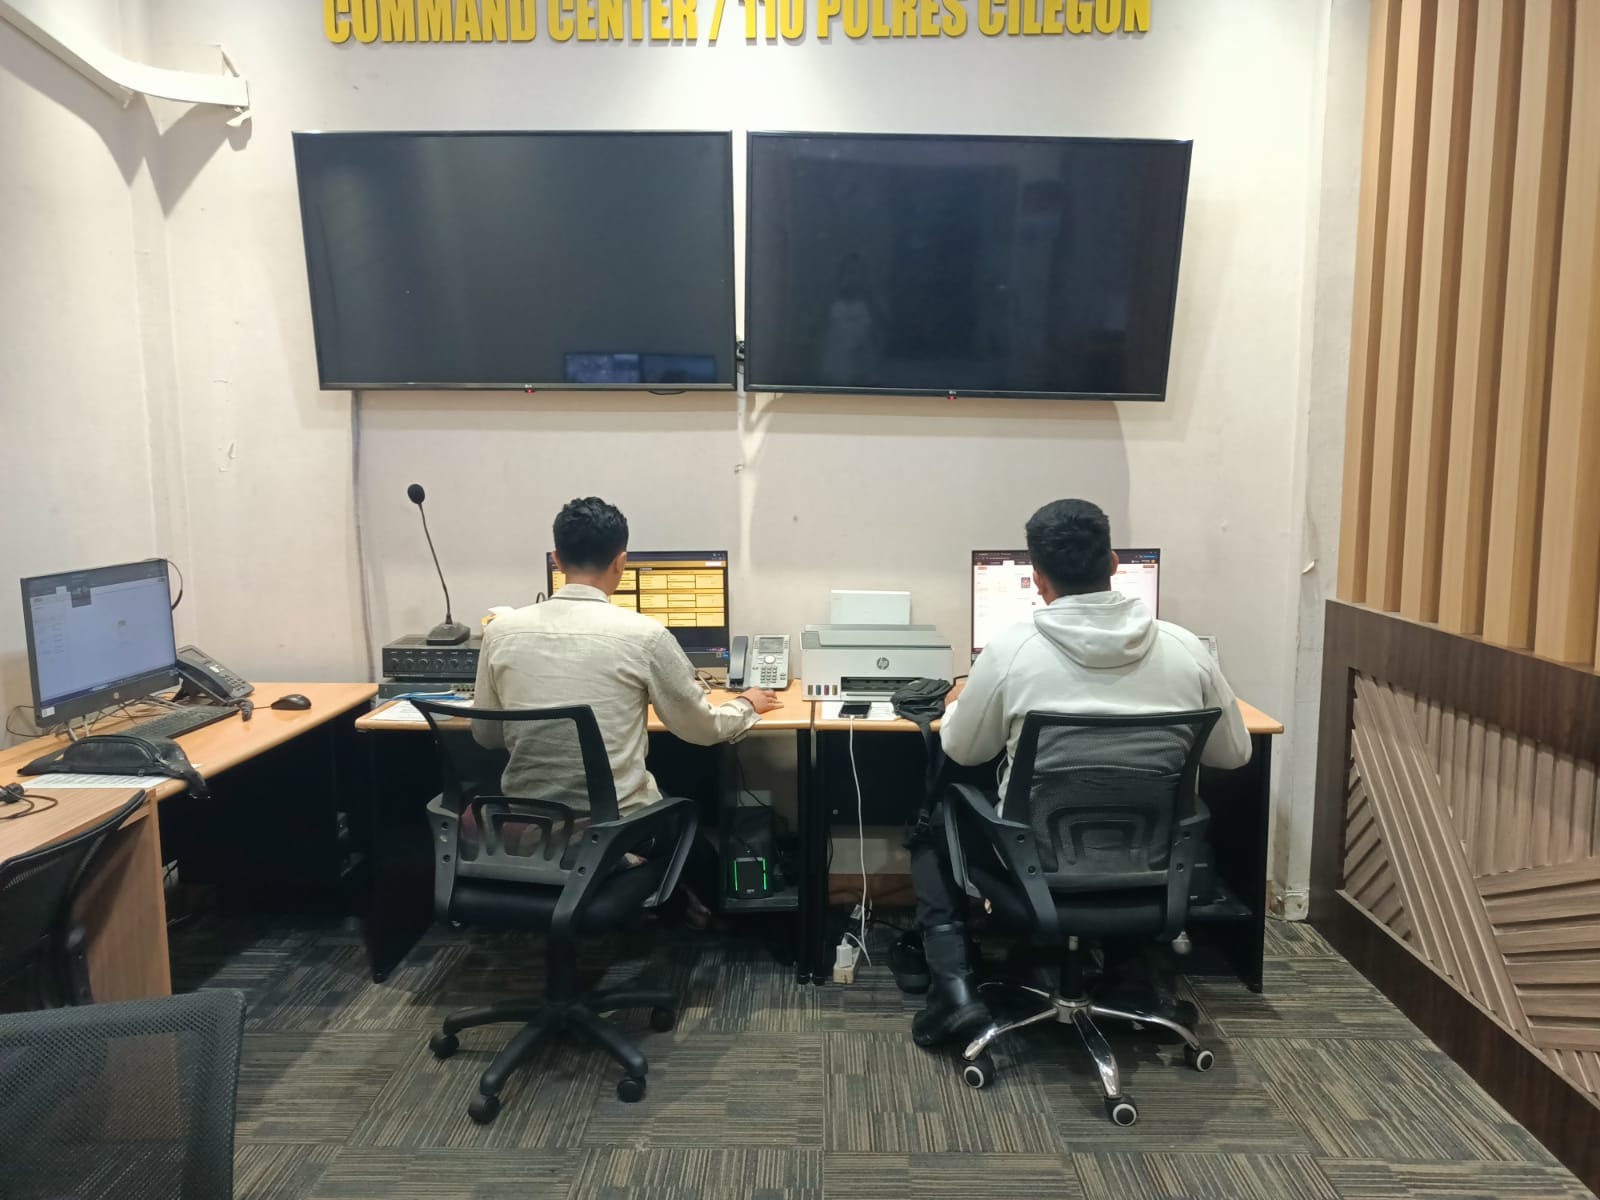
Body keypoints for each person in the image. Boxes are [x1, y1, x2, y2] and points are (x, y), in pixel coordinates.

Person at [904, 498, 1252, 1048]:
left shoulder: (1012, 651)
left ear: (1037, 579)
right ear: (1113, 563)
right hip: (1152, 865)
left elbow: (966, 752)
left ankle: (955, 994)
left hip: (1034, 865)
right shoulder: (1185, 649)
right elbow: (1234, 756)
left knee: (935, 818)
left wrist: (960, 702)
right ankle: (1130, 980)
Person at [472, 497, 780, 917]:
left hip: (528, 827)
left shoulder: (500, 632)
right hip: (615, 829)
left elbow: (486, 735)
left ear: (557, 559)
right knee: (680, 814)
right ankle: (720, 919)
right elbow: (701, 730)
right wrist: (746, 704)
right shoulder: (644, 635)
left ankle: (671, 903)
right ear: (621, 562)